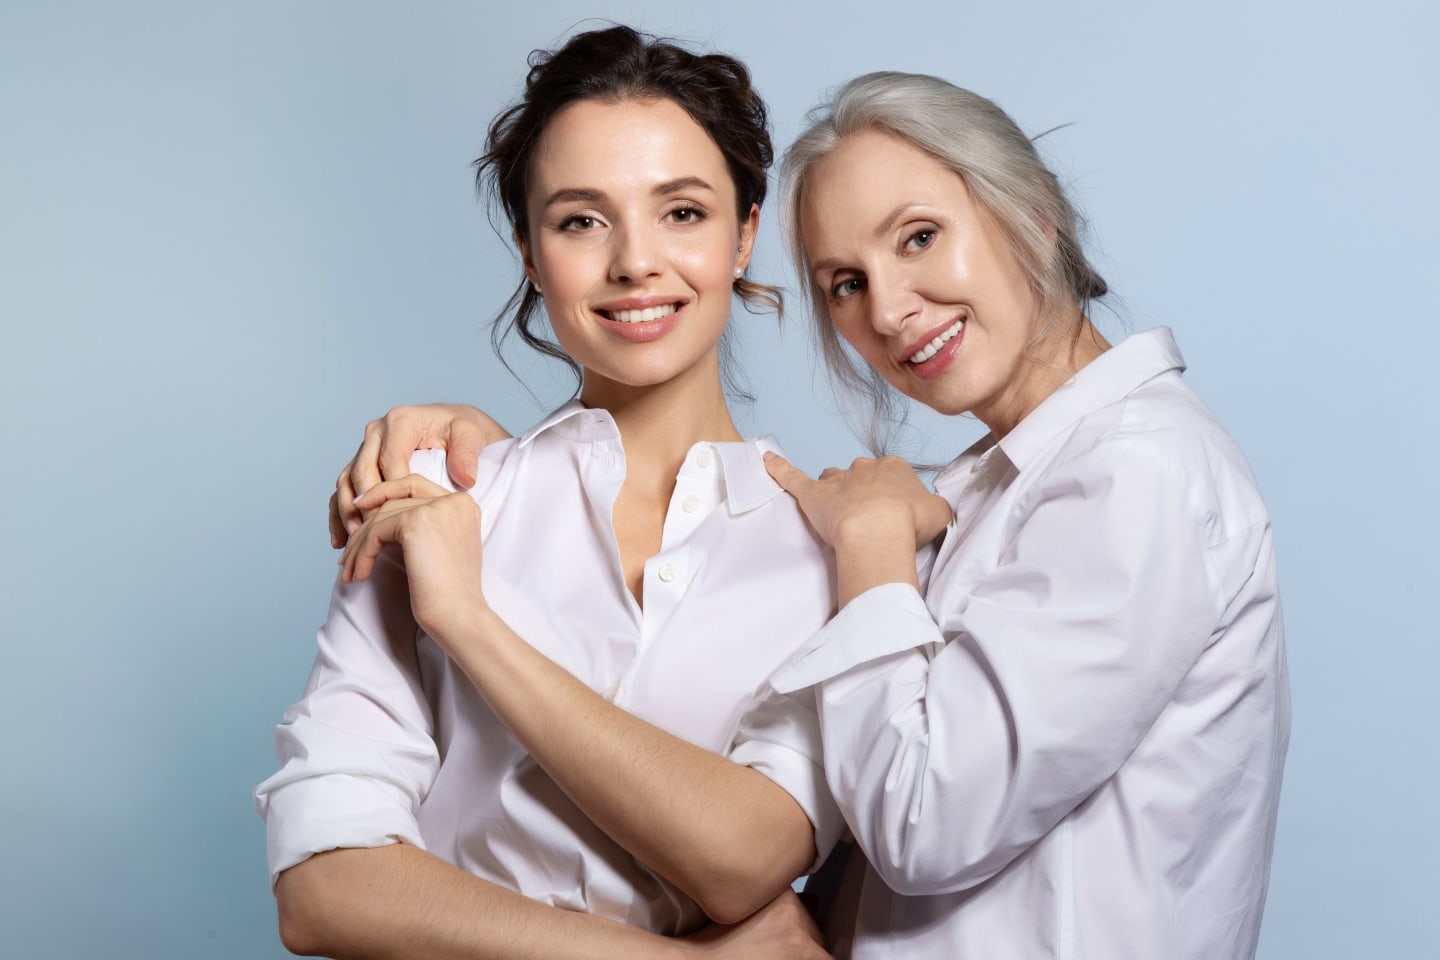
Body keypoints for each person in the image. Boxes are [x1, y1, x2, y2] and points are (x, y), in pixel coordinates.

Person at [339, 72, 1290, 959]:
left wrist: (869, 547)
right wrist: (508, 468)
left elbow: (925, 823)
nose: (892, 309)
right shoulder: (975, 491)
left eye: (919, 237)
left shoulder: (1138, 473)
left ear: (1032, 214)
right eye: (845, 281)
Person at [256, 26, 842, 960]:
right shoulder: (434, 503)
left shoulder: (837, 549)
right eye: (581, 220)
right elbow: (324, 885)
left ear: (745, 232)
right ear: (532, 255)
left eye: (682, 212)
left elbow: (746, 857)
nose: (635, 262)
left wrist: (469, 621)